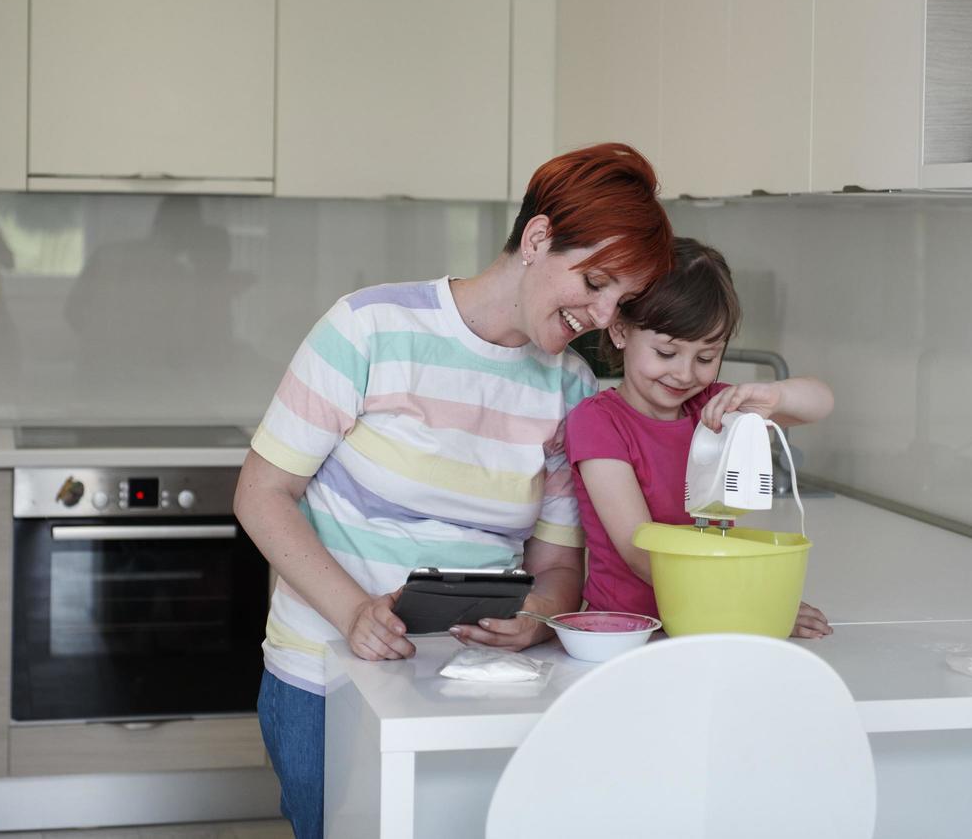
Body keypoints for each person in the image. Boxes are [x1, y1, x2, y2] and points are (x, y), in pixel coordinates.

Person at [233, 143, 674, 838]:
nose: (600, 315)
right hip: (328, 681)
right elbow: (262, 494)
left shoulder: (571, 389)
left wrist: (536, 617)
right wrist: (355, 614)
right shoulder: (370, 327)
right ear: (538, 238)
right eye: (594, 282)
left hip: (476, 692)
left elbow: (559, 566)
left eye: (619, 301)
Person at [566, 237, 835, 638]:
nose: (685, 374)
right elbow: (641, 552)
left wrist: (776, 395)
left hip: (713, 621)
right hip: (630, 631)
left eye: (706, 357)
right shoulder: (598, 422)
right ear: (621, 331)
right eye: (666, 353)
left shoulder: (715, 409)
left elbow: (820, 403)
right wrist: (755, 602)